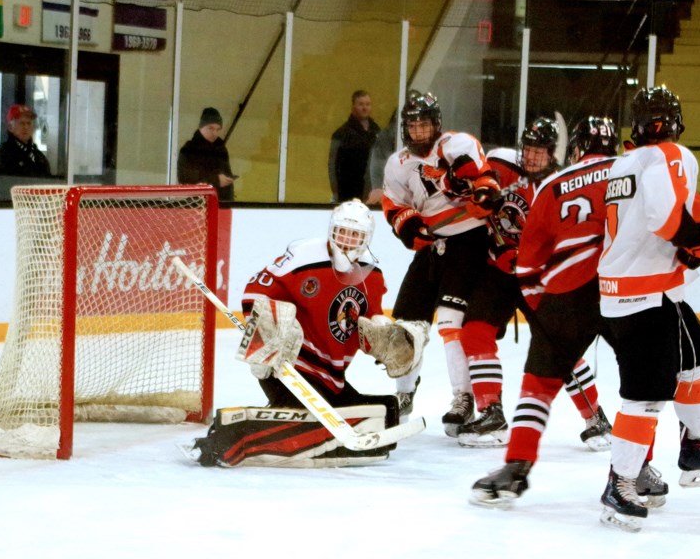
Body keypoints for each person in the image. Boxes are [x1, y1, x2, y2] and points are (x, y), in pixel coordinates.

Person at [595, 86, 700, 532]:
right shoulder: (671, 154)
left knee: (697, 361)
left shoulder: (625, 163)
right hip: (643, 298)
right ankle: (620, 483)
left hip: (641, 294)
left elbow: (687, 209)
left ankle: (696, 449)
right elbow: (671, 222)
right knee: (646, 393)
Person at [189, 199, 428, 468]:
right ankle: (227, 441)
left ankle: (297, 424)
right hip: (288, 368)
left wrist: (384, 334)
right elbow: (256, 292)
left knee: (383, 415)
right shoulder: (305, 256)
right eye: (342, 232)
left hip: (331, 378)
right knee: (307, 422)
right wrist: (265, 336)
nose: (347, 241)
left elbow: (369, 322)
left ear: (366, 239)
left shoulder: (372, 275)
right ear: (332, 231)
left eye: (355, 235)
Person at [468, 116, 622, 508]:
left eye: (541, 150)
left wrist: (542, 301)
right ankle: (644, 469)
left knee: (542, 376)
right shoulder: (632, 173)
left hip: (554, 281)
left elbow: (534, 253)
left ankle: (521, 464)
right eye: (530, 149)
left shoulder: (556, 184)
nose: (533, 156)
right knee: (647, 386)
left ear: (566, 152)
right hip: (623, 287)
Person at [382, 89, 500, 436]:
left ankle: (463, 399)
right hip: (433, 245)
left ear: (437, 124)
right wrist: (410, 226)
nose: (419, 132)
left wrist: (483, 193)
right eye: (413, 127)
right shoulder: (397, 164)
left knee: (451, 320)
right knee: (406, 323)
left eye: (424, 125)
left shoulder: (456, 145)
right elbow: (395, 207)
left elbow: (485, 178)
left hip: (468, 240)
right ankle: (403, 396)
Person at [0, 104, 52, 200]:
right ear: (11, 127)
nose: (26, 127)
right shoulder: (2, 155)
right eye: (21, 123)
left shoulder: (39, 157)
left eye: (29, 123)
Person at [328, 89, 381, 202]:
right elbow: (333, 166)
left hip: (371, 193)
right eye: (360, 104)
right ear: (353, 107)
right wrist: (336, 191)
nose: (364, 108)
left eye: (367, 104)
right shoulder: (341, 134)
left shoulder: (377, 131)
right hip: (349, 193)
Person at [177, 107, 235, 201]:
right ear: (201, 127)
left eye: (218, 129)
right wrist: (216, 180)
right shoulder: (189, 149)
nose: (214, 133)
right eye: (211, 128)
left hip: (222, 204)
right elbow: (186, 179)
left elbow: (227, 174)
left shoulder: (221, 149)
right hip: (197, 205)